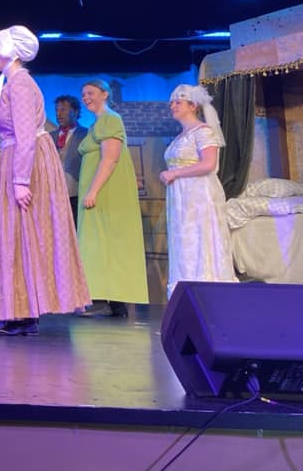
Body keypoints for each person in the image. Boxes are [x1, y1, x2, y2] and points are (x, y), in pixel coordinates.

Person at [0, 25, 90, 336]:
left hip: (26, 162)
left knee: (23, 232)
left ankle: (25, 311)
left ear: (9, 53)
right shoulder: (11, 82)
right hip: (17, 159)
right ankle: (19, 309)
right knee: (17, 234)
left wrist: (21, 179)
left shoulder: (21, 84)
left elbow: (25, 135)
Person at [77, 78, 148, 317]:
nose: (86, 97)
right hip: (98, 192)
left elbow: (111, 158)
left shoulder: (110, 119)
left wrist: (93, 190)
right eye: (83, 94)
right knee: (99, 242)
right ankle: (110, 300)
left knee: (102, 242)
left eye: (91, 93)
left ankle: (103, 298)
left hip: (106, 193)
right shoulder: (96, 123)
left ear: (105, 94)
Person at [160, 84, 235, 296]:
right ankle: (186, 291)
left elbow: (209, 164)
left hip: (199, 194)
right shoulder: (181, 135)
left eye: (178, 102)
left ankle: (207, 290)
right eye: (172, 102)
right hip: (181, 196)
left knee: (200, 239)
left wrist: (175, 174)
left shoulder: (203, 131)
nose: (172, 105)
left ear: (192, 106)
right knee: (184, 241)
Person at [49, 95, 88, 223]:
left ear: (75, 112)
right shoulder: (49, 137)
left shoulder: (86, 134)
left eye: (63, 110)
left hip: (76, 192)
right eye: (57, 110)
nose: (59, 114)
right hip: (52, 194)